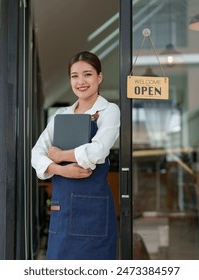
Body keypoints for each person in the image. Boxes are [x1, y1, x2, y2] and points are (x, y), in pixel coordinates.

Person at [31, 51, 120, 260]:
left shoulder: (109, 111)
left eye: (87, 74)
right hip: (63, 208)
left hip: (94, 211)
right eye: (74, 76)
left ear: (99, 77)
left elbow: (97, 152)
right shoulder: (61, 115)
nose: (81, 81)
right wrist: (62, 169)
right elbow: (36, 154)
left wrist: (59, 154)